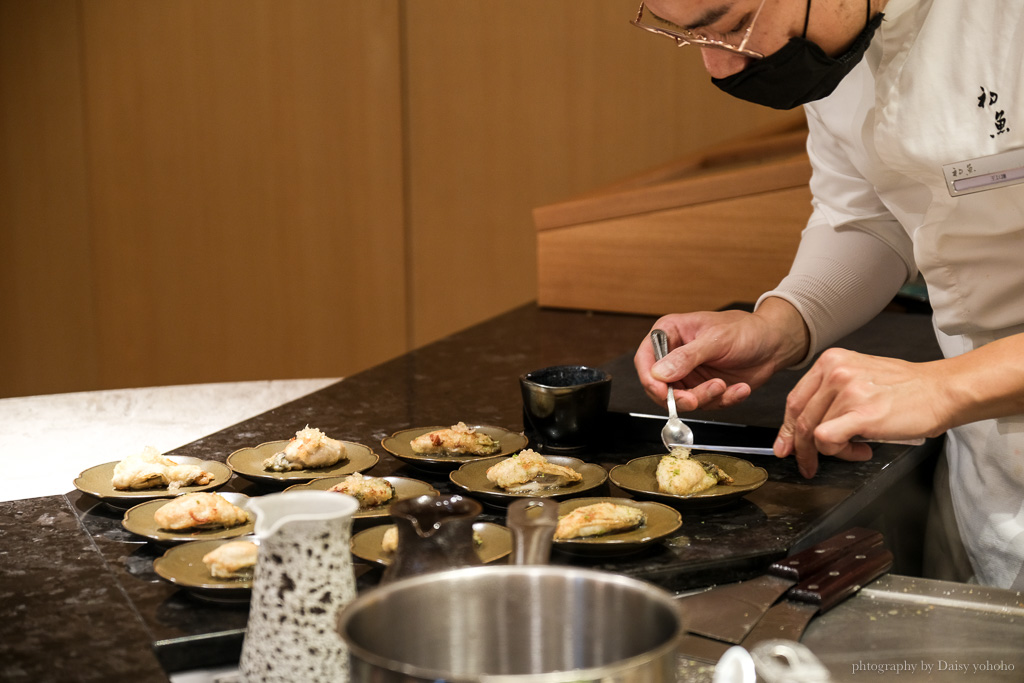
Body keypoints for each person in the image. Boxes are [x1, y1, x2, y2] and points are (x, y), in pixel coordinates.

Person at [630, 0, 1024, 590]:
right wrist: (783, 323)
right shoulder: (833, 36)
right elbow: (871, 213)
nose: (718, 66)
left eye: (734, 26)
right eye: (691, 37)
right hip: (991, 470)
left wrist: (946, 384)